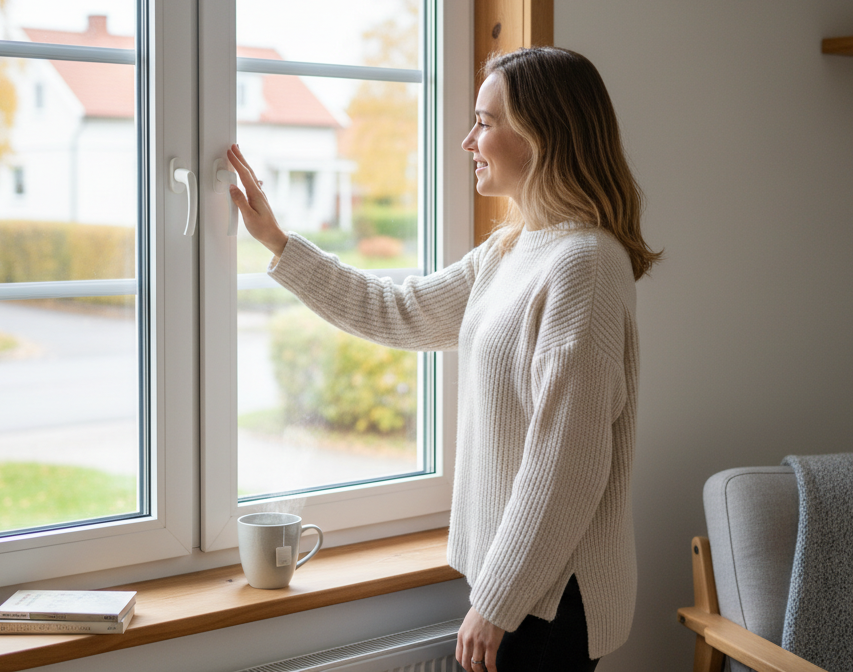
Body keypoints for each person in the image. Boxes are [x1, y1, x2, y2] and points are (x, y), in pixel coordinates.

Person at [226, 46, 660, 672]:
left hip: (552, 599)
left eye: (485, 121)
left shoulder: (585, 267)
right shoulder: (513, 250)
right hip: (518, 589)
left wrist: (495, 602)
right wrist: (278, 243)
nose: (467, 140)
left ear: (542, 134)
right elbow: (396, 309)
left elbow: (567, 467)